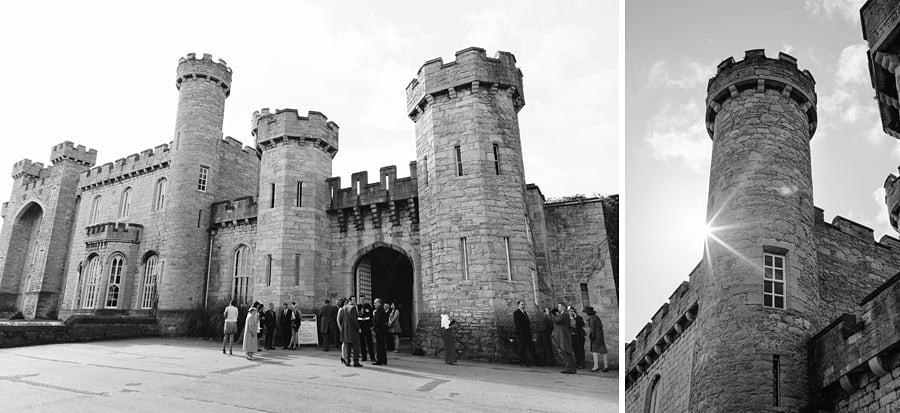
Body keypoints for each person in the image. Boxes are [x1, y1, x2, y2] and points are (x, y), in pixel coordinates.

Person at [513, 300, 540, 367]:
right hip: (522, 333)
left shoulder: (524, 312)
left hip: (527, 333)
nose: (523, 306)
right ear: (518, 305)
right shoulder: (517, 313)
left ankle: (536, 362)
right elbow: (517, 324)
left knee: (531, 347)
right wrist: (521, 332)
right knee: (522, 348)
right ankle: (522, 362)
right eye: (522, 304)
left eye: (524, 304)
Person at [337, 297, 362, 367]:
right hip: (353, 330)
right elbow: (354, 320)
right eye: (354, 300)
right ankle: (356, 362)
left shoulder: (343, 308)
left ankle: (347, 361)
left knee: (347, 346)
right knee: (355, 347)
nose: (355, 302)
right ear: (350, 301)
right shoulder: (352, 308)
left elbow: (340, 319)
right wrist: (358, 328)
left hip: (345, 329)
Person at [552, 303, 577, 374]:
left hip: (564, 335)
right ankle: (569, 367)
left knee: (566, 351)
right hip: (562, 335)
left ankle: (570, 368)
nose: (558, 307)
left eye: (559, 306)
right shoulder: (563, 314)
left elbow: (557, 320)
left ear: (563, 307)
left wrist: (550, 315)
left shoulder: (564, 314)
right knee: (564, 351)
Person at [584, 306, 609, 372]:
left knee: (594, 350)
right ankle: (606, 366)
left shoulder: (592, 318)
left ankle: (596, 366)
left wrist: (592, 335)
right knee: (603, 350)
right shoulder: (596, 317)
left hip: (596, 335)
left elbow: (592, 328)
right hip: (600, 335)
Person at [357, 295, 375, 362]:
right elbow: (357, 318)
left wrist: (371, 326)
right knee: (362, 343)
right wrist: (358, 327)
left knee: (369, 342)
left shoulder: (368, 306)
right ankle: (364, 357)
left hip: (367, 326)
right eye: (361, 300)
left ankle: (372, 357)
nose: (362, 301)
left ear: (365, 300)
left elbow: (371, 316)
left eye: (363, 300)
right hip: (361, 326)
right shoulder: (358, 307)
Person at [372, 298, 388, 365]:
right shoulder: (382, 310)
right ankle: (384, 359)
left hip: (379, 330)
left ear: (379, 303)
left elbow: (378, 321)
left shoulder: (379, 310)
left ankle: (379, 360)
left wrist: (374, 328)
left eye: (375, 303)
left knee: (379, 346)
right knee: (382, 345)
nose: (374, 304)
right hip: (382, 330)